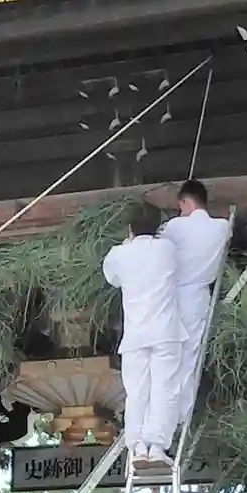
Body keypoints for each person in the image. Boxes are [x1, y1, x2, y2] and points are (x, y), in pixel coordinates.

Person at [102, 198, 182, 463]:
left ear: (130, 228)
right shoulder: (167, 249)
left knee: (137, 393)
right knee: (164, 390)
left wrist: (127, 244)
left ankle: (136, 447)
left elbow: (112, 279)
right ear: (158, 228)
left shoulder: (118, 254)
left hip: (135, 336)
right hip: (165, 332)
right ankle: (157, 447)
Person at [157, 179, 231, 427]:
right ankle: (182, 417)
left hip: (174, 296)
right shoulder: (222, 227)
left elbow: (156, 244)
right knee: (190, 358)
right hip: (199, 298)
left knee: (168, 357)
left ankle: (164, 415)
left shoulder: (175, 226)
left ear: (185, 201)